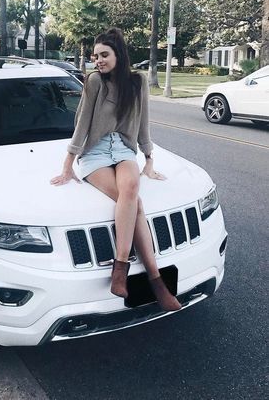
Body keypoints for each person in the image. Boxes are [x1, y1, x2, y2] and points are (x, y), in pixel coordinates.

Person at [51, 28, 181, 312]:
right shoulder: (95, 81)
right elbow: (82, 123)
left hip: (123, 149)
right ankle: (153, 280)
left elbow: (144, 120)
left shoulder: (138, 82)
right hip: (95, 152)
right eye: (95, 56)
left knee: (131, 189)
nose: (97, 60)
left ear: (119, 55)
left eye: (104, 55)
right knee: (137, 205)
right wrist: (68, 164)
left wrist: (148, 157)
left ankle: (122, 269)